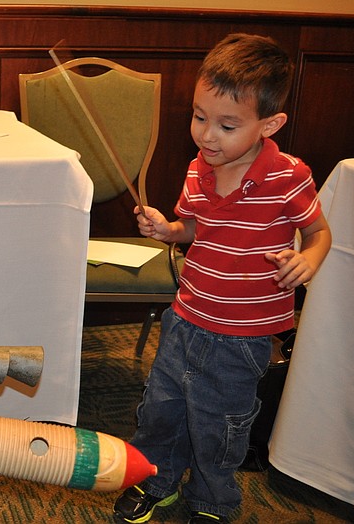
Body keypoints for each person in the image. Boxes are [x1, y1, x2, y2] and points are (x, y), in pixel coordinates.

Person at [113, 33, 332, 524]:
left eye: (227, 125)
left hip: (243, 337)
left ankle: (212, 500)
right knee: (161, 412)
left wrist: (309, 260)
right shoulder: (198, 168)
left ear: (269, 124)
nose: (207, 136)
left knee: (220, 426)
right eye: (199, 117)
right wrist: (168, 229)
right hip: (186, 318)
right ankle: (157, 483)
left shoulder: (288, 176)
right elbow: (193, 228)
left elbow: (319, 233)